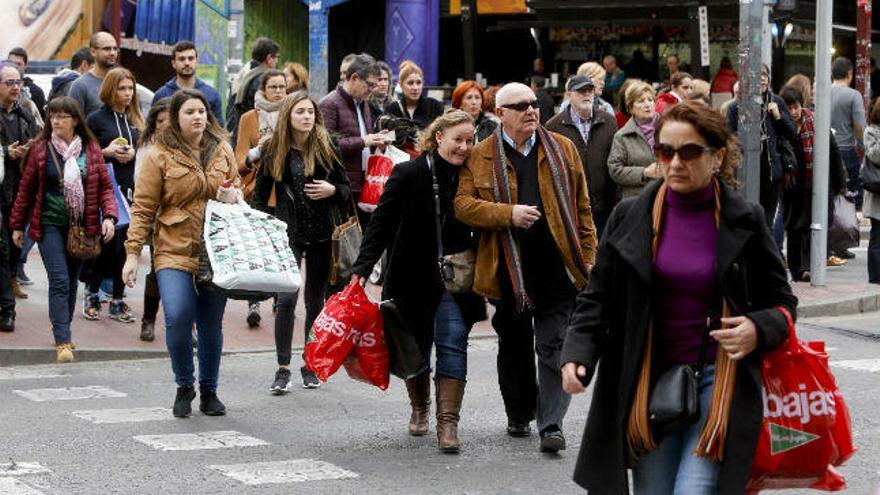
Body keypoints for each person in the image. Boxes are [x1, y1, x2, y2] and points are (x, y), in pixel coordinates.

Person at [561, 101, 798, 494]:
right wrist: (577, 354)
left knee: (694, 489)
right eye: (665, 151)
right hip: (648, 382)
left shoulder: (745, 218)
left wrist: (759, 327)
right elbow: (596, 298)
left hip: (718, 383)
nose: (674, 163)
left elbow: (782, 300)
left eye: (689, 152)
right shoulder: (630, 217)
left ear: (717, 156)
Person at [455, 82, 597, 453]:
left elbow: (583, 208)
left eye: (534, 104)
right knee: (515, 347)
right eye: (521, 106)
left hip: (557, 266)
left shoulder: (562, 148)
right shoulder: (481, 154)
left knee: (554, 346)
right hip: (507, 269)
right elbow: (464, 205)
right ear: (500, 114)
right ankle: (519, 412)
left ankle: (552, 424)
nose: (531, 110)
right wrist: (508, 214)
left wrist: (589, 257)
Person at [353, 109, 486, 453]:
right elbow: (381, 223)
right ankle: (419, 407)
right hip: (412, 276)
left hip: (457, 278)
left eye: (470, 140)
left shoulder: (474, 174)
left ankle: (448, 423)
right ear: (438, 136)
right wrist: (361, 270)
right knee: (415, 348)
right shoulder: (409, 172)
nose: (464, 147)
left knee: (453, 341)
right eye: (458, 139)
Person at [122, 88, 240, 419]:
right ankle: (184, 384)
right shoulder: (159, 155)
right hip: (173, 247)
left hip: (216, 248)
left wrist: (233, 196)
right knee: (177, 315)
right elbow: (143, 207)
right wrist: (132, 254)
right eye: (190, 112)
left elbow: (239, 189)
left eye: (201, 111)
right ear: (176, 117)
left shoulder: (222, 150)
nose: (198, 116)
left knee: (210, 323)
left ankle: (209, 390)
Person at [252, 91, 351, 392]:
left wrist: (332, 190)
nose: (307, 116)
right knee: (286, 299)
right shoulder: (274, 149)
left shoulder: (327, 145)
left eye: (310, 112)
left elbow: (347, 189)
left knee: (315, 301)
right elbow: (259, 195)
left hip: (322, 234)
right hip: (288, 233)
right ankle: (282, 368)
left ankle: (311, 363)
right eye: (300, 112)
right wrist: (267, 225)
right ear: (288, 117)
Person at [9, 96, 117, 360]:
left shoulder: (90, 149)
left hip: (83, 227)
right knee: (58, 280)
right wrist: (16, 227)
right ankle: (63, 341)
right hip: (49, 225)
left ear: (76, 120)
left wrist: (109, 217)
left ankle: (63, 327)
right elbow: (26, 191)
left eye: (62, 116)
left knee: (70, 283)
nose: (56, 120)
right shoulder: (41, 149)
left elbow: (104, 187)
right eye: (52, 115)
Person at [82, 67, 143, 324]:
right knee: (107, 246)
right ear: (110, 90)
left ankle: (118, 299)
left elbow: (147, 152)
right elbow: (83, 154)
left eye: (130, 88)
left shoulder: (136, 119)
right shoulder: (96, 119)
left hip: (131, 190)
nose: (127, 93)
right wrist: (106, 152)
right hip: (105, 190)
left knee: (125, 249)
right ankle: (92, 293)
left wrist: (134, 154)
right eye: (122, 88)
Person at [780, 86, 849, 281]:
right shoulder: (781, 125)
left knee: (815, 226)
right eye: (789, 108)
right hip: (792, 187)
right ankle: (796, 270)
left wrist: (840, 183)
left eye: (796, 107)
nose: (793, 112)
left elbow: (833, 151)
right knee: (793, 228)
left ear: (802, 105)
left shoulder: (815, 121)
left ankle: (808, 268)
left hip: (816, 185)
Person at [234, 68, 286, 329]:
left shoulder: (293, 115)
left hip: (287, 193)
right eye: (273, 86)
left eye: (282, 86)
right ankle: (253, 303)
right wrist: (258, 151)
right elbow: (239, 162)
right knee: (256, 250)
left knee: (282, 249)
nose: (278, 91)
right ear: (263, 89)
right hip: (259, 193)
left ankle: (280, 298)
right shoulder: (248, 119)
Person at [318, 53, 387, 226]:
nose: (372, 90)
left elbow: (366, 140)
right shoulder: (329, 103)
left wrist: (378, 142)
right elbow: (324, 146)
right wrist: (364, 141)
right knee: (345, 243)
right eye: (370, 84)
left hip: (364, 184)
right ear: (354, 78)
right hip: (341, 186)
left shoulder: (363, 103)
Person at [726, 64, 799, 228]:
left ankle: (763, 251)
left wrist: (779, 116)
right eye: (757, 75)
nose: (762, 78)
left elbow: (792, 133)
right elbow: (728, 138)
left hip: (771, 172)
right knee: (747, 219)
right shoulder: (735, 107)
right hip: (745, 171)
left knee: (766, 221)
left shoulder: (777, 102)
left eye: (765, 75)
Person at [546, 75, 618, 237]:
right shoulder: (553, 126)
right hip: (572, 206)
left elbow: (616, 161)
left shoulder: (609, 121)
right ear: (569, 95)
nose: (587, 95)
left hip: (604, 205)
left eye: (590, 90)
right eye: (581, 91)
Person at [0, 62, 40, 327]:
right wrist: (5, 152)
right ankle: (7, 310)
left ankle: (10, 285)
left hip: (20, 192)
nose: (16, 87)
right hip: (1, 190)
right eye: (10, 83)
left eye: (19, 82)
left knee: (14, 247)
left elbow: (40, 139)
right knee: (2, 248)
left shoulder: (25, 113)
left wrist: (29, 149)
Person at [134, 98, 171, 342]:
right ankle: (148, 320)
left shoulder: (192, 145)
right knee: (158, 270)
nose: (166, 126)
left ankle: (185, 325)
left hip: (189, 220)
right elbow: (141, 181)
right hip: (159, 217)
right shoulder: (148, 146)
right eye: (160, 121)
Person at [152, 40, 224, 126]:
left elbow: (219, 131)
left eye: (191, 58)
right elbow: (153, 130)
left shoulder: (212, 95)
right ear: (173, 63)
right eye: (182, 59)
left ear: (197, 61)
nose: (187, 63)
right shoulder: (161, 95)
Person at [608, 81, 661, 198]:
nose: (647, 104)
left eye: (650, 100)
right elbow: (614, 170)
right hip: (637, 200)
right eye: (641, 101)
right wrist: (644, 172)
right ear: (631, 108)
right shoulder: (622, 136)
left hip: (666, 196)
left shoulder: (669, 128)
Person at [831, 57, 867, 212]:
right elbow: (860, 127)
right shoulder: (854, 96)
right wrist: (865, 148)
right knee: (852, 198)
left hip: (824, 149)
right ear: (849, 73)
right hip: (846, 151)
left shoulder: (819, 92)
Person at [227, 37, 280, 137]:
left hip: (239, 132)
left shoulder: (244, 74)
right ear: (269, 58)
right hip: (254, 138)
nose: (277, 61)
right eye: (277, 57)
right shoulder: (262, 80)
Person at [69, 32, 118, 117]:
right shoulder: (80, 85)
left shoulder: (123, 81)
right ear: (93, 51)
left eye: (115, 49)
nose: (112, 53)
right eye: (107, 49)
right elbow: (74, 121)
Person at [384, 60, 444, 129]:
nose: (415, 88)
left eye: (419, 83)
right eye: (410, 83)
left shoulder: (435, 107)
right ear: (401, 85)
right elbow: (386, 135)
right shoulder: (392, 109)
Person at [860, 100, 880, 284]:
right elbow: (874, 155)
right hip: (877, 195)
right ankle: (875, 278)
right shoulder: (871, 131)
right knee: (877, 238)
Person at [7, 47, 46, 120]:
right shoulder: (2, 89)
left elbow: (42, 123)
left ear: (25, 65)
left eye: (18, 64)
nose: (14, 67)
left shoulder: (36, 92)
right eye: (11, 63)